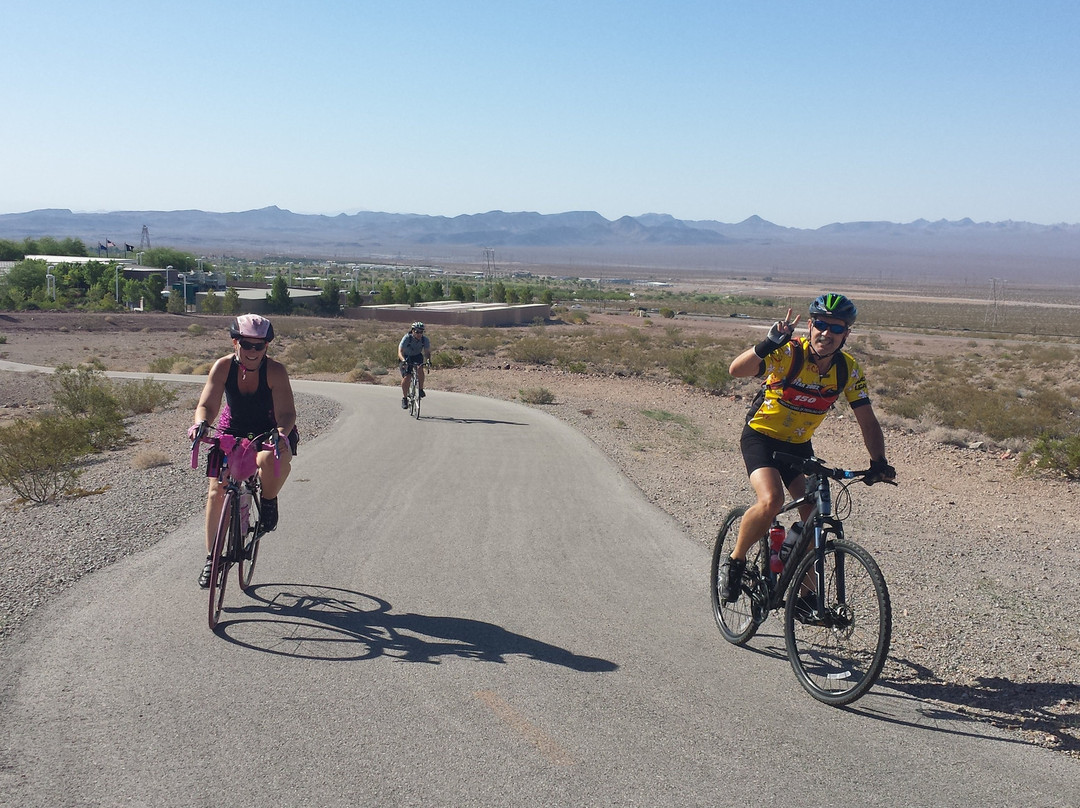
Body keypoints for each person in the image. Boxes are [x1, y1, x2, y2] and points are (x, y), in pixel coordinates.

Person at [720, 293, 895, 604]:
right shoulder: (789, 353)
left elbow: (868, 421)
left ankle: (800, 590)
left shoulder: (847, 370)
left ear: (846, 334)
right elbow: (736, 370)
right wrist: (768, 344)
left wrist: (879, 461)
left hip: (799, 445)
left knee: (814, 517)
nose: (825, 333)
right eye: (820, 324)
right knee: (771, 499)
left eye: (835, 328)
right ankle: (735, 562)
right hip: (761, 437)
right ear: (811, 325)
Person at [189, 314, 297, 588]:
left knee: (270, 458)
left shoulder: (275, 371)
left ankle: (269, 501)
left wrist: (281, 434)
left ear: (266, 347)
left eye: (258, 346)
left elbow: (286, 413)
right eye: (246, 345)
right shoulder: (223, 367)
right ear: (234, 342)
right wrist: (201, 423)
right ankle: (213, 559)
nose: (252, 351)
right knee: (217, 490)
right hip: (231, 429)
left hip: (269, 429)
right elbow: (207, 405)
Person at [398, 321, 431, 409]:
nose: (419, 334)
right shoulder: (407, 338)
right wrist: (404, 361)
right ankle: (405, 398)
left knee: (420, 369)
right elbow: (400, 352)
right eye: (417, 332)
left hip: (417, 356)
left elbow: (427, 352)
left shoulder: (425, 340)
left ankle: (420, 389)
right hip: (406, 357)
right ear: (412, 331)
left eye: (421, 332)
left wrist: (428, 360)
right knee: (407, 377)